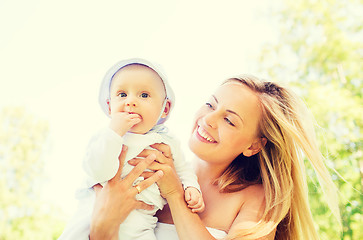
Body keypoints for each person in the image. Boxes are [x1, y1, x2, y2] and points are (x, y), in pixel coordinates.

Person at [89, 74, 341, 240]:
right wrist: (102, 227)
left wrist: (176, 196)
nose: (208, 120)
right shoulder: (146, 172)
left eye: (229, 120)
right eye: (210, 105)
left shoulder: (256, 200)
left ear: (254, 145)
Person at [59, 58, 204, 240]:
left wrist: (192, 187)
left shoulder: (167, 141)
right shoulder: (106, 136)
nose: (131, 102)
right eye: (122, 94)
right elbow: (98, 171)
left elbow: (182, 169)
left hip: (142, 219)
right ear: (110, 106)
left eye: (144, 95)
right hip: (95, 210)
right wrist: (115, 133)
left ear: (164, 108)